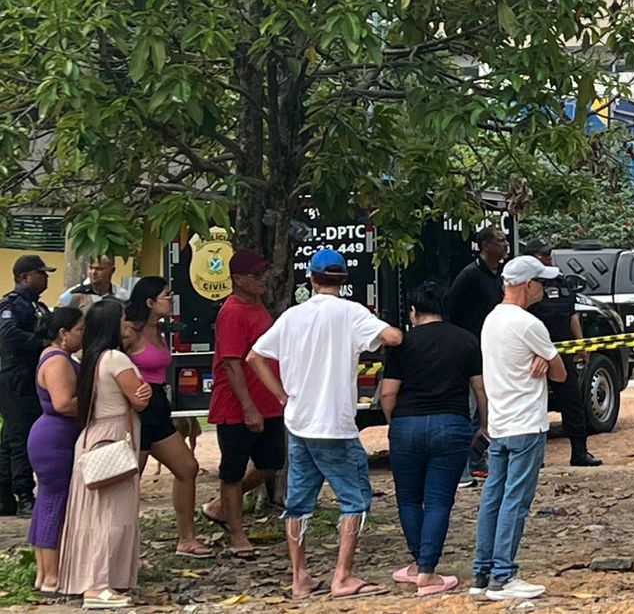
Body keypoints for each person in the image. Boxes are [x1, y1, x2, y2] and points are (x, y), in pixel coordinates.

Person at [247, 248, 402, 600]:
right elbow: (392, 337)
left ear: (312, 279)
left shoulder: (291, 317)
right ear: (343, 280)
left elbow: (254, 356)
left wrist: (282, 395)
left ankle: (299, 577)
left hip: (299, 422)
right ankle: (343, 576)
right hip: (335, 425)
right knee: (356, 499)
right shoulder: (350, 313)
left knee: (299, 503)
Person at [382, 281, 486, 597]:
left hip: (407, 424)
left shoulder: (403, 344)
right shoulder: (466, 340)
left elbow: (388, 392)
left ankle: (418, 564)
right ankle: (427, 570)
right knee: (440, 499)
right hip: (452, 423)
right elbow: (480, 388)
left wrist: (394, 422)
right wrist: (483, 424)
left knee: (409, 498)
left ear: (413, 311)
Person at [471, 255, 565, 601]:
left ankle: (482, 571)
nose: (545, 287)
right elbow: (560, 373)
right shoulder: (528, 324)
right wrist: (546, 358)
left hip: (500, 422)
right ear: (528, 285)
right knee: (516, 499)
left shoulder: (491, 320)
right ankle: (503, 574)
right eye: (541, 281)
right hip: (526, 422)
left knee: (493, 496)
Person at [57, 298, 151, 608]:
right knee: (112, 516)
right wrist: (146, 392)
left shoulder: (93, 358)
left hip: (94, 434)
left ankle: (94, 581)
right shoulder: (115, 358)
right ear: (113, 324)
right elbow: (138, 399)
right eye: (123, 319)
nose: (128, 323)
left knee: (94, 515)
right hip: (113, 437)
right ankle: (98, 586)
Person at [202, 249, 284, 558]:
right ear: (237, 280)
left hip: (267, 401)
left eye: (263, 274)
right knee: (232, 470)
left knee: (271, 461)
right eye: (255, 275)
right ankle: (237, 534)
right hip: (237, 405)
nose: (262, 279)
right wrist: (248, 406)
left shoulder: (258, 306)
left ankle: (221, 506)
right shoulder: (232, 311)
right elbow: (232, 364)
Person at [123, 277, 212, 558]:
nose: (171, 299)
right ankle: (122, 548)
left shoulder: (160, 331)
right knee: (128, 481)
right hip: (137, 409)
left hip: (159, 407)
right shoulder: (130, 331)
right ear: (150, 301)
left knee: (187, 468)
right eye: (166, 295)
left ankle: (187, 538)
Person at [526, 240, 601, 468]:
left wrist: (580, 345)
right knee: (532, 404)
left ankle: (580, 452)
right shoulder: (526, 286)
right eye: (543, 255)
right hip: (532, 354)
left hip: (562, 352)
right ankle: (533, 458)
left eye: (549, 254)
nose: (548, 257)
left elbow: (572, 315)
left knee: (572, 402)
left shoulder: (560, 281)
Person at [27, 307, 84, 594]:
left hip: (51, 437)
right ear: (63, 333)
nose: (82, 336)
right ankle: (52, 577)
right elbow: (63, 403)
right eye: (79, 330)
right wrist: (95, 402)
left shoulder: (54, 356)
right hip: (55, 440)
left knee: (47, 504)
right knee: (54, 506)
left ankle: (43, 574)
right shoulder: (58, 360)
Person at [449, 224, 508, 487]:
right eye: (500, 240)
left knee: (486, 413)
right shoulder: (470, 276)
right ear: (486, 246)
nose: (505, 243)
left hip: (492, 355)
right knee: (471, 409)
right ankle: (461, 470)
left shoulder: (498, 276)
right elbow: (454, 312)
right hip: (471, 354)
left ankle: (476, 462)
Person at [0, 253, 56, 516]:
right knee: (20, 436)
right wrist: (40, 343)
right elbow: (9, 335)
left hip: (32, 376)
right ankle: (23, 495)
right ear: (24, 277)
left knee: (12, 437)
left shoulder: (38, 307)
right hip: (15, 377)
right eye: (41, 273)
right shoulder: (12, 305)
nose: (46, 278)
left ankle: (5, 494)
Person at [57, 256, 123, 307]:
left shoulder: (122, 296)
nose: (94, 272)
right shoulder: (72, 294)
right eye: (91, 268)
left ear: (112, 270)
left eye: (99, 269)